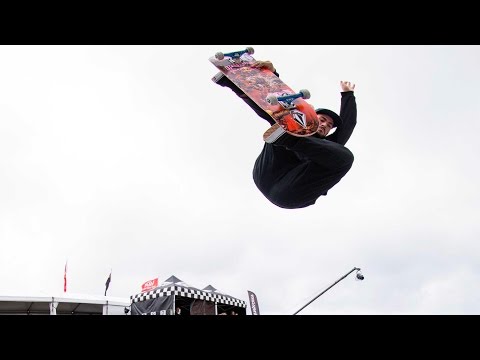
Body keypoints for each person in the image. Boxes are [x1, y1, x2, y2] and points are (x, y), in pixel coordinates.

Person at [215, 60, 357, 209]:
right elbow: (267, 105)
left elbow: (347, 126)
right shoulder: (294, 121)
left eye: (329, 126)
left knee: (345, 157)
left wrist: (348, 95)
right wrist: (270, 75)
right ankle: (230, 82)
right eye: (322, 120)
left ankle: (288, 138)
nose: (324, 126)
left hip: (290, 193)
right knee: (284, 116)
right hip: (265, 174)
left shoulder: (330, 144)